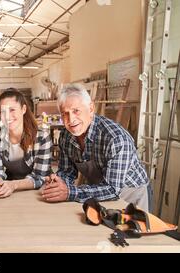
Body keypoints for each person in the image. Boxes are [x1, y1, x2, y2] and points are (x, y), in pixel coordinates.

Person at [41, 83, 151, 211]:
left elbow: (112, 189)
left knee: (130, 229)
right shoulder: (66, 136)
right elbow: (67, 172)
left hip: (130, 195)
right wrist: (57, 182)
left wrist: (70, 192)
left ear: (91, 109)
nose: (71, 119)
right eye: (65, 114)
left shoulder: (115, 138)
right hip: (99, 191)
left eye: (76, 111)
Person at [0, 88, 52, 198]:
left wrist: (13, 185)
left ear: (23, 109)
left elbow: (39, 177)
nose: (7, 116)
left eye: (12, 110)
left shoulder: (41, 137)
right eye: (3, 111)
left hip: (38, 192)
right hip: (11, 192)